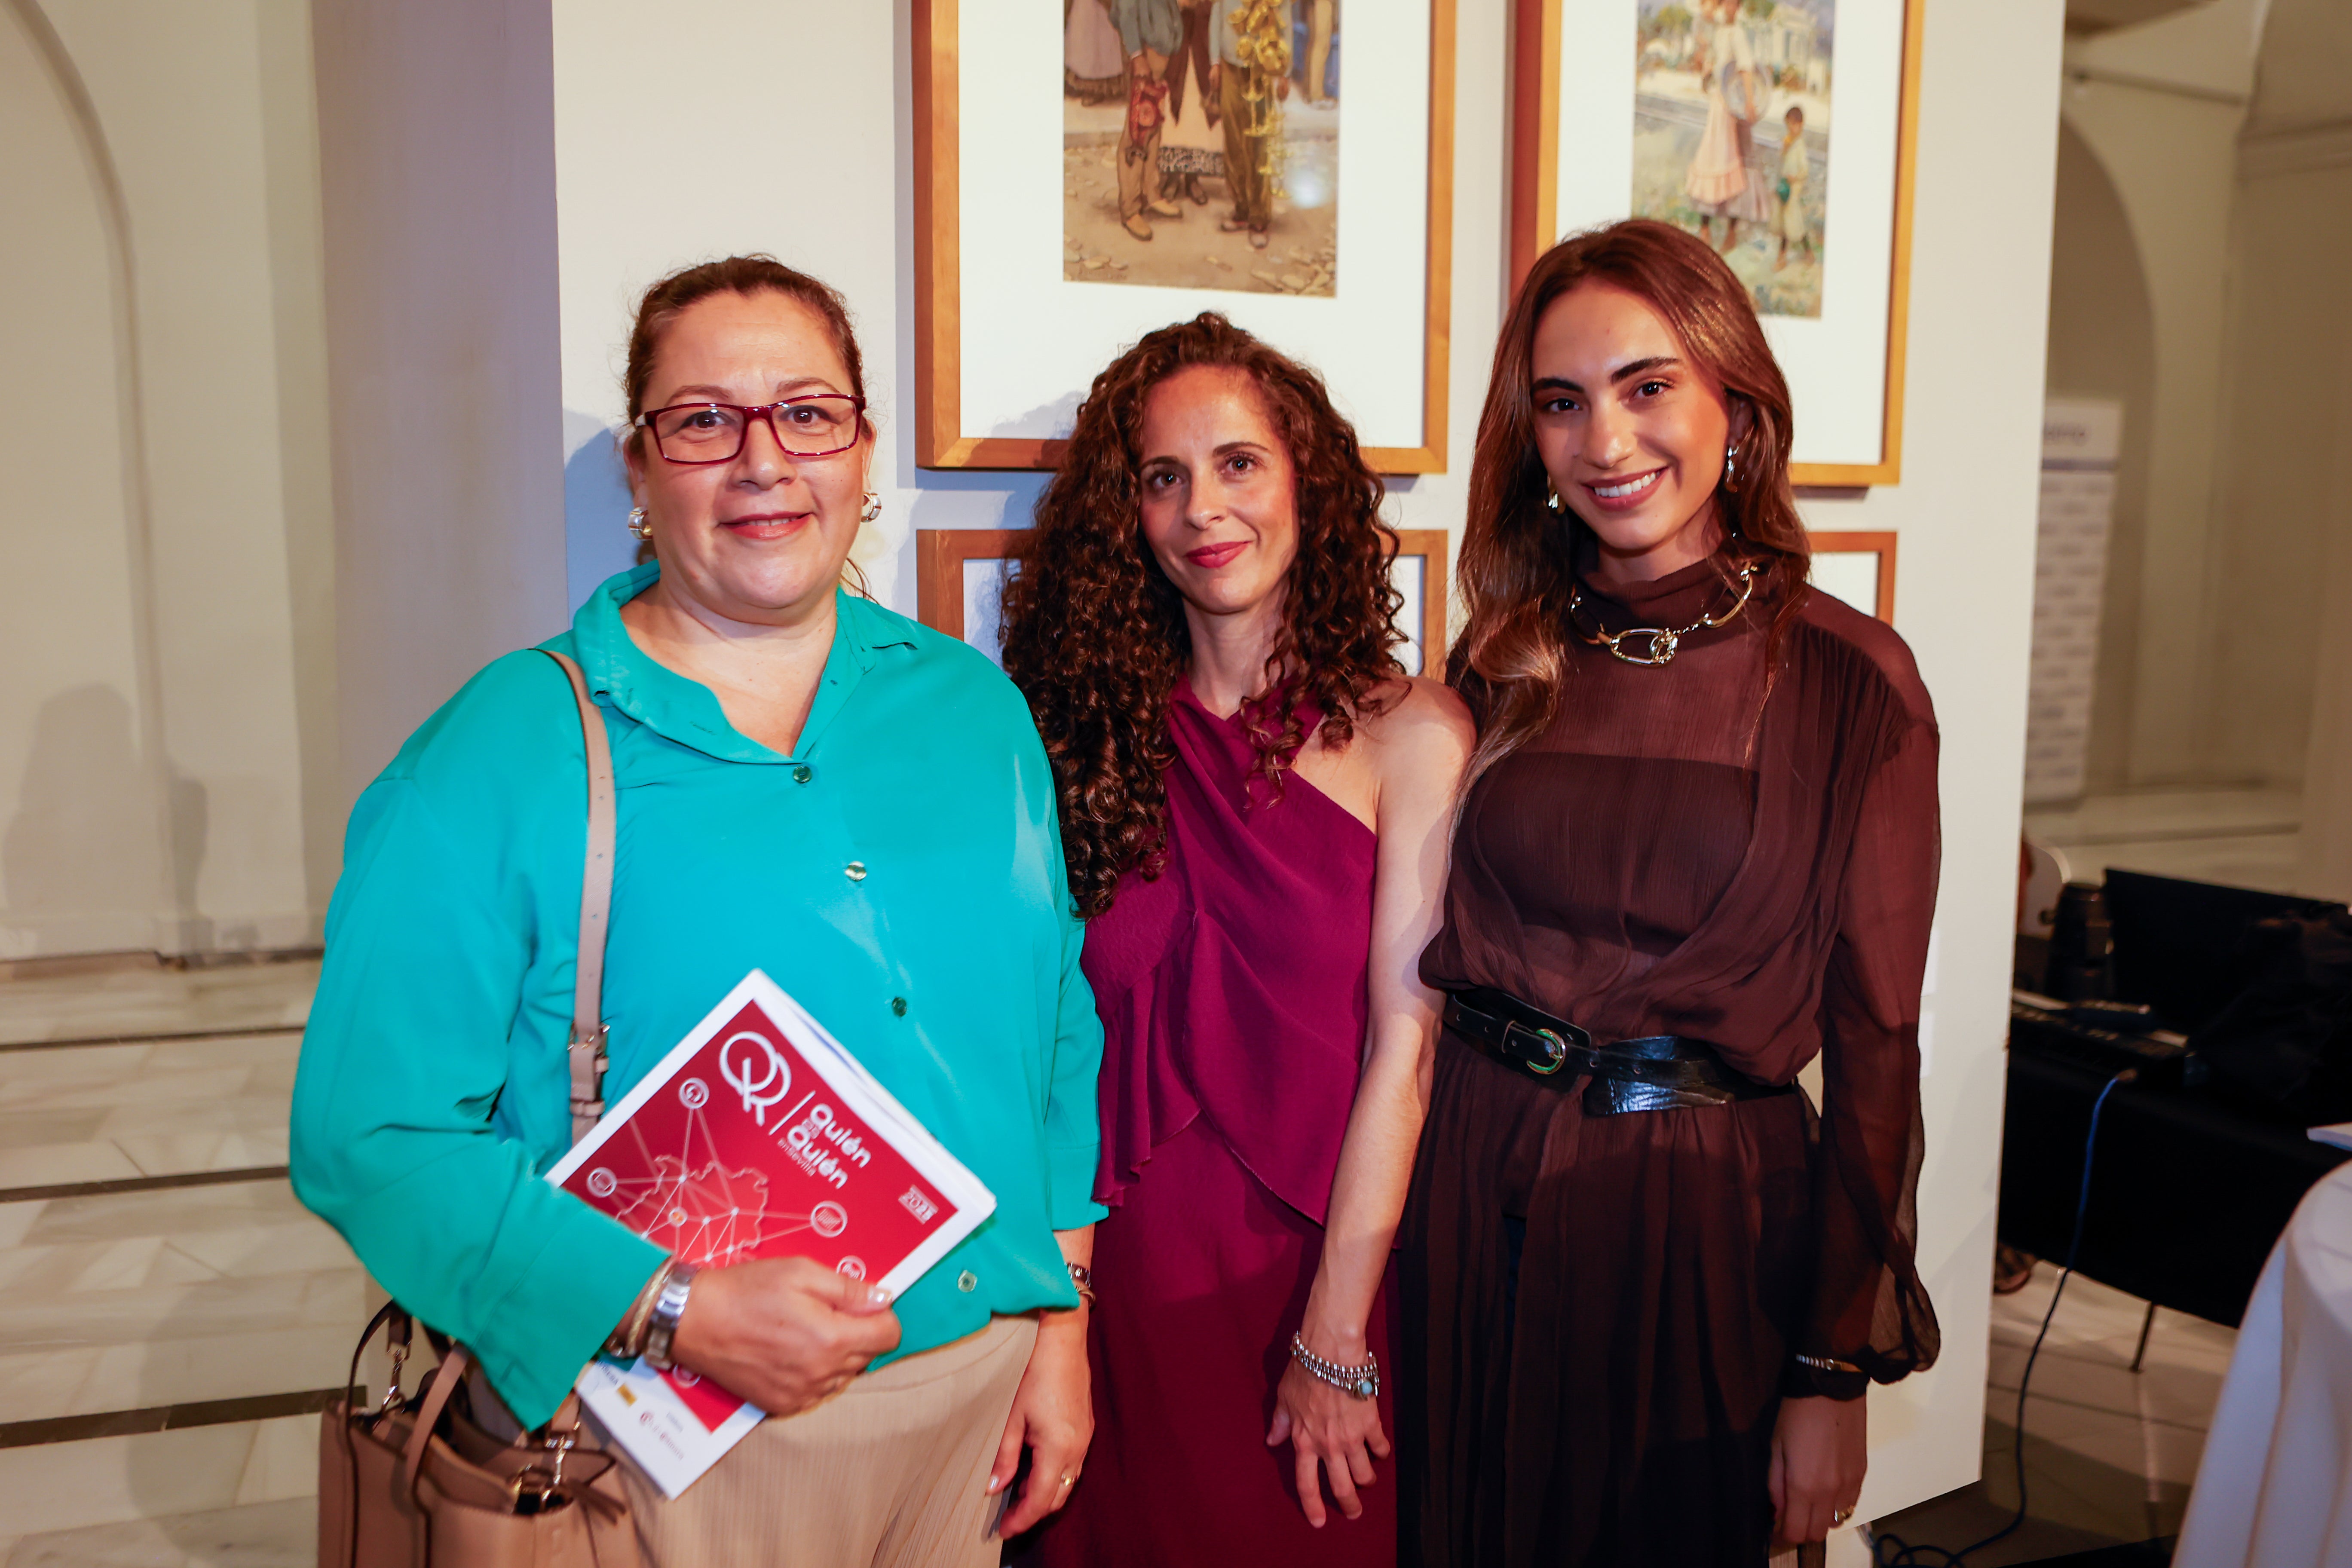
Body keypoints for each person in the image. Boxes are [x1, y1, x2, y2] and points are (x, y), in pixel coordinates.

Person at [290, 256, 1105, 1568]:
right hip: (650, 1437)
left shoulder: (974, 711)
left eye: (807, 413)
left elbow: (1055, 1030)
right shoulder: (502, 749)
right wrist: (668, 1306)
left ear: (861, 448)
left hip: (968, 1412)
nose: (762, 460)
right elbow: (366, 1133)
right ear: (638, 466)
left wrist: (1060, 1325)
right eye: (705, 420)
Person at [1400, 219, 1942, 1566]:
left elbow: (1877, 1047)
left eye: (1649, 389)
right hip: (1467, 1192)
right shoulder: (1501, 655)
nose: (1606, 442)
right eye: (1564, 403)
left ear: (1736, 408)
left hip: (1699, 1224)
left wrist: (1827, 1370)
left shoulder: (1848, 678)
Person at [999, 312, 1472, 1568]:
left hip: (1318, 1275)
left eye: (1238, 462)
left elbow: (1404, 1055)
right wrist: (1048, 1313)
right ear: (1130, 515)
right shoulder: (1076, 733)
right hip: (1113, 1277)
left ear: (1304, 477)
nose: (1203, 506)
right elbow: (1033, 1040)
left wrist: (1336, 1333)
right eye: (1164, 476)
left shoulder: (1411, 734)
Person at [1685, 0, 1769, 255]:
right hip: (1719, 104)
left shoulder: (1738, 34)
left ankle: (1731, 231)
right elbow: (1710, 67)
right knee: (1712, 158)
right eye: (1726, 3)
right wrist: (1704, 69)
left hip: (1735, 105)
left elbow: (1746, 69)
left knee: (1740, 162)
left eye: (1733, 4)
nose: (1729, 8)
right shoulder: (1717, 32)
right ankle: (1705, 228)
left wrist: (1750, 103)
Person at [1210, 0, 1293, 250]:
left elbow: (1286, 27)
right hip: (1229, 69)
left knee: (1258, 146)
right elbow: (1217, 16)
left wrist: (1285, 75)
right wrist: (1215, 61)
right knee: (1233, 142)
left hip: (1261, 71)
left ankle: (1259, 219)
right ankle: (1241, 210)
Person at [1112, 0, 1186, 242]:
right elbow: (1125, 11)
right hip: (1144, 54)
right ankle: (1131, 208)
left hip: (1161, 54)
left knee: (1153, 127)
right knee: (1137, 131)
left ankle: (1151, 193)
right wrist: (1136, 56)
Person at [1774, 105, 1813, 272]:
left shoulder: (1801, 146)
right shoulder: (1790, 142)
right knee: (1787, 223)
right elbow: (1783, 161)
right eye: (1789, 124)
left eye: (1795, 124)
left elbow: (1805, 170)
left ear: (1801, 125)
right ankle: (1784, 255)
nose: (1792, 128)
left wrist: (1795, 178)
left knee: (1793, 222)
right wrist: (1784, 149)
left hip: (1794, 188)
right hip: (1786, 187)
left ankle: (1805, 252)